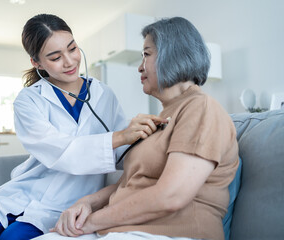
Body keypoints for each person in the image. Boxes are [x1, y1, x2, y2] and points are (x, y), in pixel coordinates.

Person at [0, 14, 165, 240]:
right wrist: (121, 136)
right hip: (22, 192)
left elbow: (121, 155)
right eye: (55, 57)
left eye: (72, 49)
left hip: (66, 200)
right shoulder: (29, 100)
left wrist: (147, 139)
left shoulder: (103, 94)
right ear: (37, 63)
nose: (70, 61)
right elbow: (60, 151)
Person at [43, 17, 240, 240]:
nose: (139, 67)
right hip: (124, 230)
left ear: (172, 55)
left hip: (172, 233)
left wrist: (92, 222)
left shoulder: (200, 108)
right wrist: (87, 202)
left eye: (146, 54)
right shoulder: (162, 117)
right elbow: (131, 181)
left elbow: (171, 196)